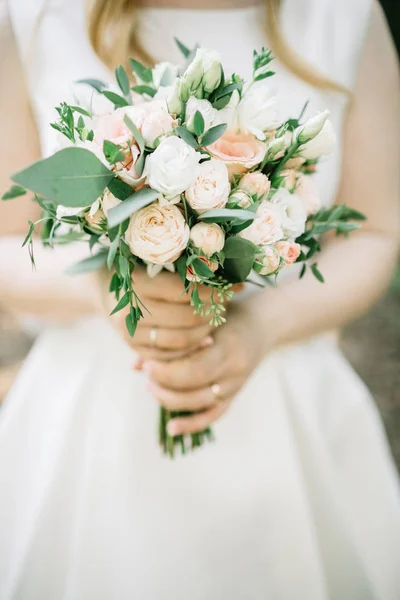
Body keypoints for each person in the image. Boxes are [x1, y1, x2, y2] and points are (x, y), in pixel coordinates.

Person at [0, 0, 399, 597]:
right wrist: (102, 288)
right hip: (89, 426)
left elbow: (376, 232)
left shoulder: (343, 14)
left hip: (286, 407)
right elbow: (7, 240)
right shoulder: (31, 16)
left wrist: (259, 326)